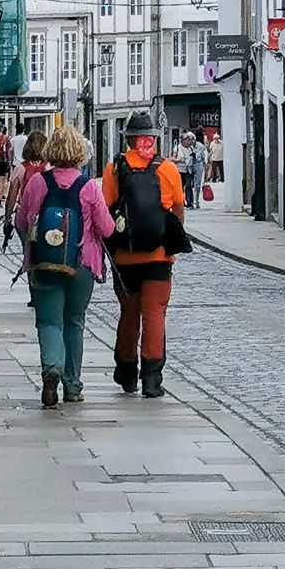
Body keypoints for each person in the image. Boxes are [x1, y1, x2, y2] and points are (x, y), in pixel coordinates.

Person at [15, 124, 114, 406]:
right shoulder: (89, 187)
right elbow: (106, 229)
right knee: (74, 322)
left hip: (45, 262)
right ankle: (72, 386)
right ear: (79, 152)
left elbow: (22, 221)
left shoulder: (38, 183)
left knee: (48, 321)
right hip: (82, 264)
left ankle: (51, 371)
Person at [102, 111, 189, 399]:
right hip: (159, 257)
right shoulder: (168, 170)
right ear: (153, 139)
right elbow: (178, 209)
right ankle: (152, 379)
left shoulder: (114, 169)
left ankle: (127, 372)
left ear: (128, 140)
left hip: (125, 257)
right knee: (154, 315)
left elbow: (107, 209)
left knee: (129, 314)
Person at [4, 129, 48, 243]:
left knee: (27, 248)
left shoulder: (20, 168)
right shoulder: (49, 168)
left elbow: (11, 196)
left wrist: (7, 218)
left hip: (24, 216)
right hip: (45, 215)